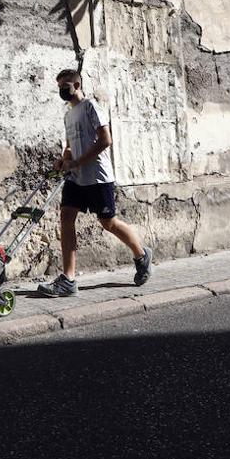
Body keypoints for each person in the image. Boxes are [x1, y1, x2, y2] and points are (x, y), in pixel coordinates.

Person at [37, 68, 152, 298]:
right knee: (66, 218)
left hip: (98, 177)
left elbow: (105, 139)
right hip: (76, 178)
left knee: (108, 223)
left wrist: (78, 161)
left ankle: (141, 255)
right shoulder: (68, 115)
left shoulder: (90, 107)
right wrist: (64, 160)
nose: (62, 89)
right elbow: (69, 146)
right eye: (59, 86)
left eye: (66, 85)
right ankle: (68, 279)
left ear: (77, 85)